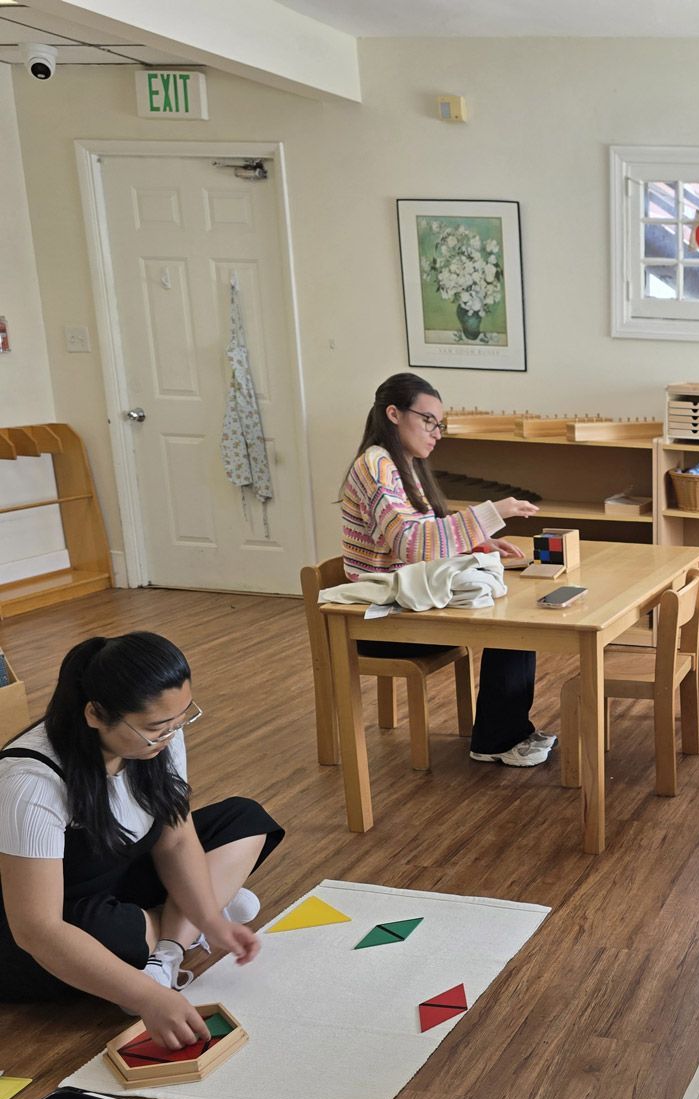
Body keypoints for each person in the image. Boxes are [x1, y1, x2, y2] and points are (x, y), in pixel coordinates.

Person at [0, 633, 283, 1049]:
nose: (171, 734)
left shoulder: (159, 736)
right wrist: (147, 996)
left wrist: (210, 919)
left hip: (118, 869)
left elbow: (176, 839)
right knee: (117, 941)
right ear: (96, 714)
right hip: (45, 915)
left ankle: (167, 947)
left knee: (244, 819)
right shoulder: (31, 782)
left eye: (181, 718)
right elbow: (37, 928)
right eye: (157, 728)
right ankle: (162, 924)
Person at [341, 372, 556, 768]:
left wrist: (478, 541)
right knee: (511, 620)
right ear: (393, 413)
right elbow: (409, 543)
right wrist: (492, 514)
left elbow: (423, 534)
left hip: (405, 600)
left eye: (439, 424)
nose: (436, 433)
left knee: (515, 609)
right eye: (428, 421)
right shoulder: (376, 466)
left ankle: (509, 729)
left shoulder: (401, 464)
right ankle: (496, 738)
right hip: (379, 620)